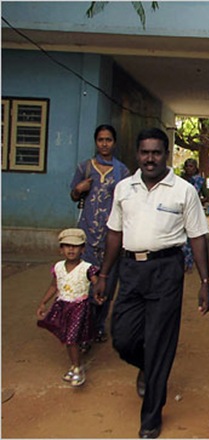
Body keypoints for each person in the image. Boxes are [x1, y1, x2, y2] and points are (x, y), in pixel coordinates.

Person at [94, 128, 209, 439]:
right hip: (131, 268)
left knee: (160, 342)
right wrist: (104, 274)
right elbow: (114, 233)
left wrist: (205, 281)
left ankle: (151, 416)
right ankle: (147, 366)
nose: (150, 158)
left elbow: (197, 236)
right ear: (137, 154)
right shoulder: (123, 188)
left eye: (156, 153)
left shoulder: (183, 190)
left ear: (166, 155)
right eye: (145, 152)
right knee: (122, 337)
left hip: (166, 270)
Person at [70, 124, 130, 346]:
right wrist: (79, 188)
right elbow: (73, 195)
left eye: (109, 140)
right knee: (84, 283)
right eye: (101, 140)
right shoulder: (85, 167)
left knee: (107, 281)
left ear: (114, 143)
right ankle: (83, 327)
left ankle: (98, 325)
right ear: (96, 142)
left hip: (111, 237)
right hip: (86, 234)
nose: (104, 144)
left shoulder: (122, 172)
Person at [37, 228, 100, 388]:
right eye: (67, 246)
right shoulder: (58, 267)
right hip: (62, 306)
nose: (71, 249)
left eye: (76, 246)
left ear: (83, 249)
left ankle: (78, 368)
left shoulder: (87, 268)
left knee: (72, 338)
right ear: (61, 249)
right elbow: (54, 286)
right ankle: (74, 365)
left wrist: (99, 294)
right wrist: (43, 302)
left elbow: (97, 283)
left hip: (79, 308)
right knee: (68, 338)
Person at [180, 158, 205, 272]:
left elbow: (201, 194)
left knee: (192, 238)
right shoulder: (181, 180)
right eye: (187, 166)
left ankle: (189, 263)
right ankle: (183, 262)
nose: (189, 168)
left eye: (191, 166)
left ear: (195, 168)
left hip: (193, 211)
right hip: (181, 211)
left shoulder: (199, 180)